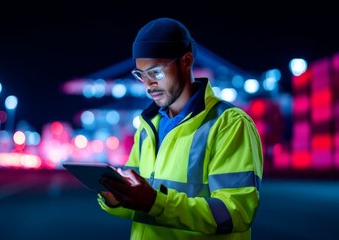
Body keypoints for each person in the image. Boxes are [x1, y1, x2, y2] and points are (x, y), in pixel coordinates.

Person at [97, 17, 263, 240]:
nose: (148, 83)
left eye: (155, 72)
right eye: (140, 74)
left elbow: (236, 213)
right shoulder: (148, 127)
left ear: (186, 61)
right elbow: (142, 207)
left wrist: (157, 203)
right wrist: (116, 199)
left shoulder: (229, 124)